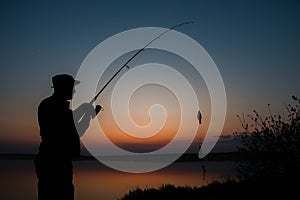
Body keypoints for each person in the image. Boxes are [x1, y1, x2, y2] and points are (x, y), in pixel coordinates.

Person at [34, 74, 101, 200]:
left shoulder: (48, 105)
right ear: (63, 88)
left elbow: (69, 120)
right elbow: (77, 130)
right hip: (56, 164)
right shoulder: (58, 108)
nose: (74, 91)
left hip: (49, 160)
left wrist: (83, 109)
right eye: (72, 87)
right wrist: (88, 117)